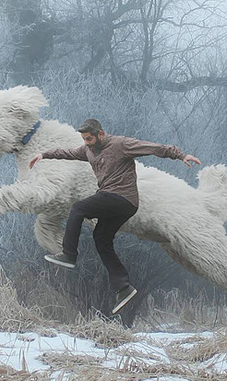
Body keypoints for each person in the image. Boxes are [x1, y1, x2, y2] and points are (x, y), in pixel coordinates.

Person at [29, 119, 201, 314]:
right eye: (84, 139)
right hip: (120, 205)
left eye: (90, 138)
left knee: (78, 208)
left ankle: (69, 254)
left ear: (101, 134)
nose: (87, 143)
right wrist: (43, 155)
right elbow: (66, 153)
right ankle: (123, 287)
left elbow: (154, 148)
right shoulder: (87, 150)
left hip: (121, 197)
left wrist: (181, 155)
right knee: (101, 239)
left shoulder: (121, 144)